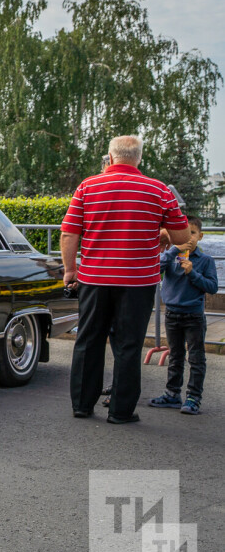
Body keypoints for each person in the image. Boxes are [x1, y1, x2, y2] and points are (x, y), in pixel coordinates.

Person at [62, 135, 190, 423]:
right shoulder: (158, 190)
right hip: (138, 282)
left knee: (88, 339)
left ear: (110, 155)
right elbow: (182, 237)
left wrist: (70, 271)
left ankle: (82, 405)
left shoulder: (87, 186)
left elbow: (69, 233)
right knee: (129, 344)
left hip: (94, 279)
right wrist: (159, 233)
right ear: (139, 158)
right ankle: (120, 412)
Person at [148, 216, 218, 415]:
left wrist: (193, 273)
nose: (188, 238)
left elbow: (212, 287)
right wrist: (173, 249)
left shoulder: (206, 261)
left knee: (196, 358)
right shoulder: (171, 256)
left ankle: (193, 397)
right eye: (184, 234)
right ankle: (172, 394)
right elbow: (155, 269)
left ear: (200, 236)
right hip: (172, 314)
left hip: (193, 316)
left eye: (193, 233)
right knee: (175, 356)